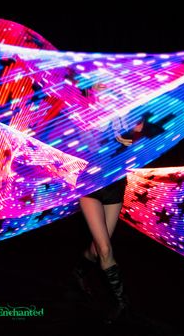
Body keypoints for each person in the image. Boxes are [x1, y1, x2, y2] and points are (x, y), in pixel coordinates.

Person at [71, 100, 144, 324]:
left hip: (115, 184)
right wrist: (101, 130)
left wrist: (132, 139)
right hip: (90, 184)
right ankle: (123, 306)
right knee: (105, 249)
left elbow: (139, 135)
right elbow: (87, 145)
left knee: (98, 248)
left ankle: (79, 272)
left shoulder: (133, 106)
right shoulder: (83, 107)